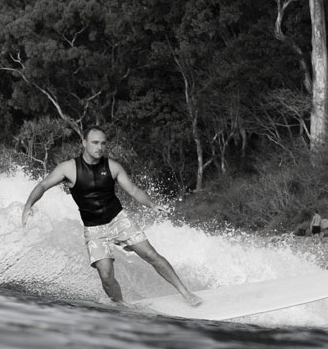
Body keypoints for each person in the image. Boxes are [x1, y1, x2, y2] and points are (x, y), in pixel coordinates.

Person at [21, 127, 202, 306]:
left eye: (103, 143)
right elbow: (43, 185)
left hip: (118, 219)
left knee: (150, 254)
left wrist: (152, 205)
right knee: (106, 275)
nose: (99, 147)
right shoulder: (68, 168)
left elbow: (133, 190)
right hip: (94, 229)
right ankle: (122, 306)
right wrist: (29, 205)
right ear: (84, 143)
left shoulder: (112, 167)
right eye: (95, 142)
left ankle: (186, 292)